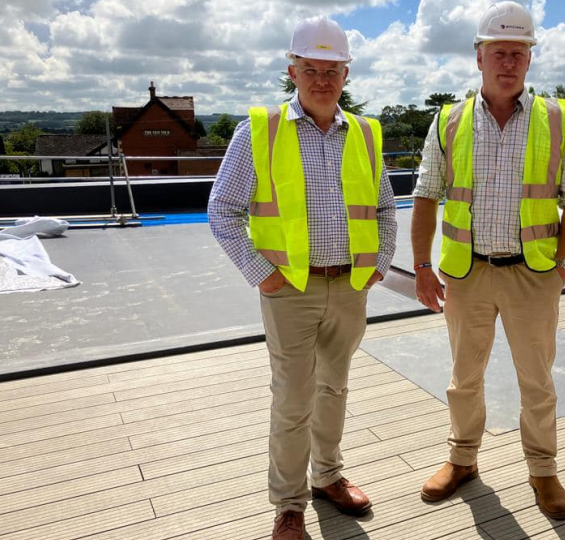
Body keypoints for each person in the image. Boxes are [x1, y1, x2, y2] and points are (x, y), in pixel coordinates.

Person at [207, 16, 396, 540]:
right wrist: (260, 273)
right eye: (310, 69)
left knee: (333, 387)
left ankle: (328, 478)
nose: (321, 79)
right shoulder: (259, 132)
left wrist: (379, 264)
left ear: (345, 75)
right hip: (289, 288)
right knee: (293, 398)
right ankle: (288, 504)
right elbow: (221, 209)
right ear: (292, 71)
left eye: (331, 70)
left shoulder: (364, 132)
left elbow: (384, 209)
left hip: (350, 287)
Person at [411, 1, 565, 521]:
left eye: (518, 53)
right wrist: (422, 267)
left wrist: (563, 266)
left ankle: (543, 469)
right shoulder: (448, 121)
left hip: (532, 274)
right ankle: (462, 459)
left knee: (537, 379)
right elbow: (426, 195)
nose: (508, 62)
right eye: (499, 52)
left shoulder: (558, 120)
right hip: (467, 274)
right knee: (464, 376)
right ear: (479, 57)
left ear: (529, 60)